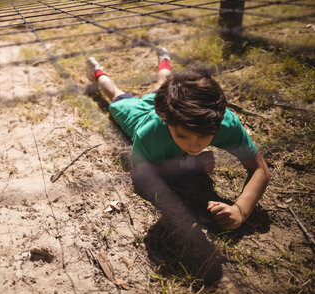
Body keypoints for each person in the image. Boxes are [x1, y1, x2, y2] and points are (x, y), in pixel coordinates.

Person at [86, 48, 271, 230]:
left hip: (170, 104)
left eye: (205, 135)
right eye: (182, 135)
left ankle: (164, 58)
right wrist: (192, 165)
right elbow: (141, 174)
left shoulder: (225, 123)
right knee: (116, 96)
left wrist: (240, 210)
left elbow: (259, 169)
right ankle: (96, 71)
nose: (194, 144)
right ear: (166, 121)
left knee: (162, 87)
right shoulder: (149, 133)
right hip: (139, 114)